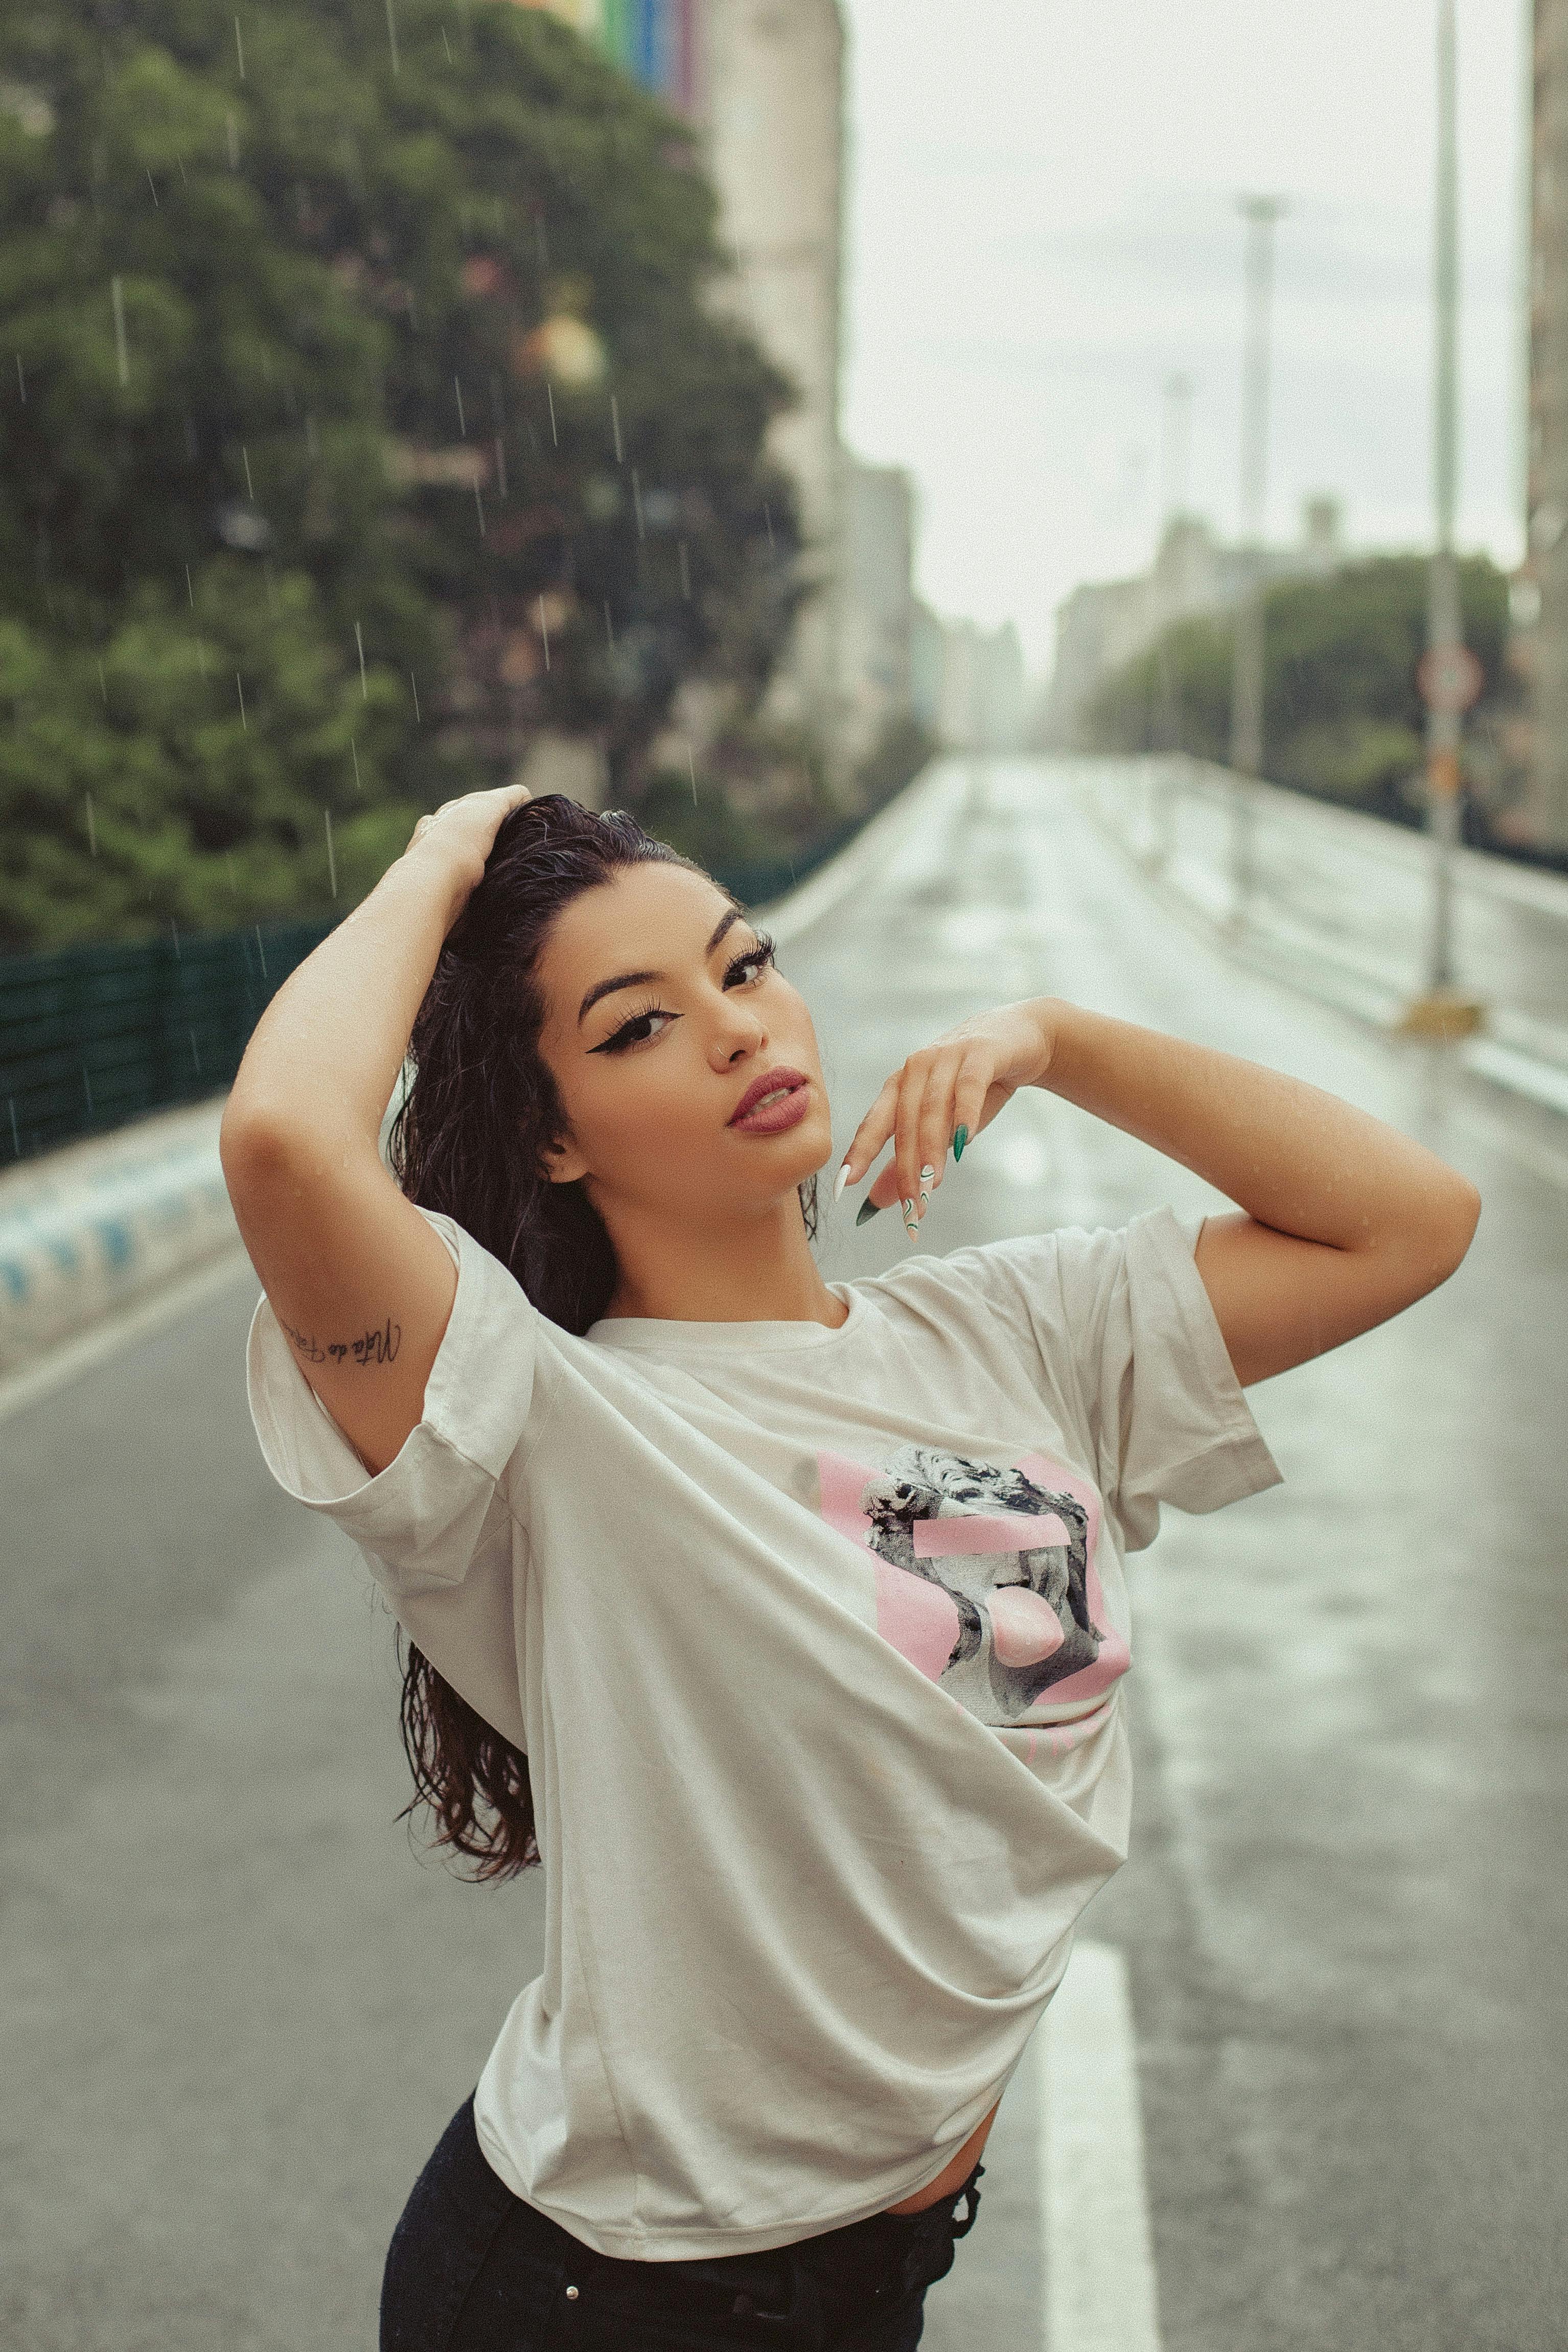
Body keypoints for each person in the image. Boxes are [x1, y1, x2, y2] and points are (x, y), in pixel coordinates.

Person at [222, 783, 1481, 2351]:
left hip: (871, 2280)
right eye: (636, 1027)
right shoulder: (537, 1418)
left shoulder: (1012, 1331)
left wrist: (1056, 1038)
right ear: (549, 1132)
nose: (739, 1029)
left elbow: (1407, 1223)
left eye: (743, 968)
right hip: (608, 2296)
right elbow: (285, 1140)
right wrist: (437, 857)